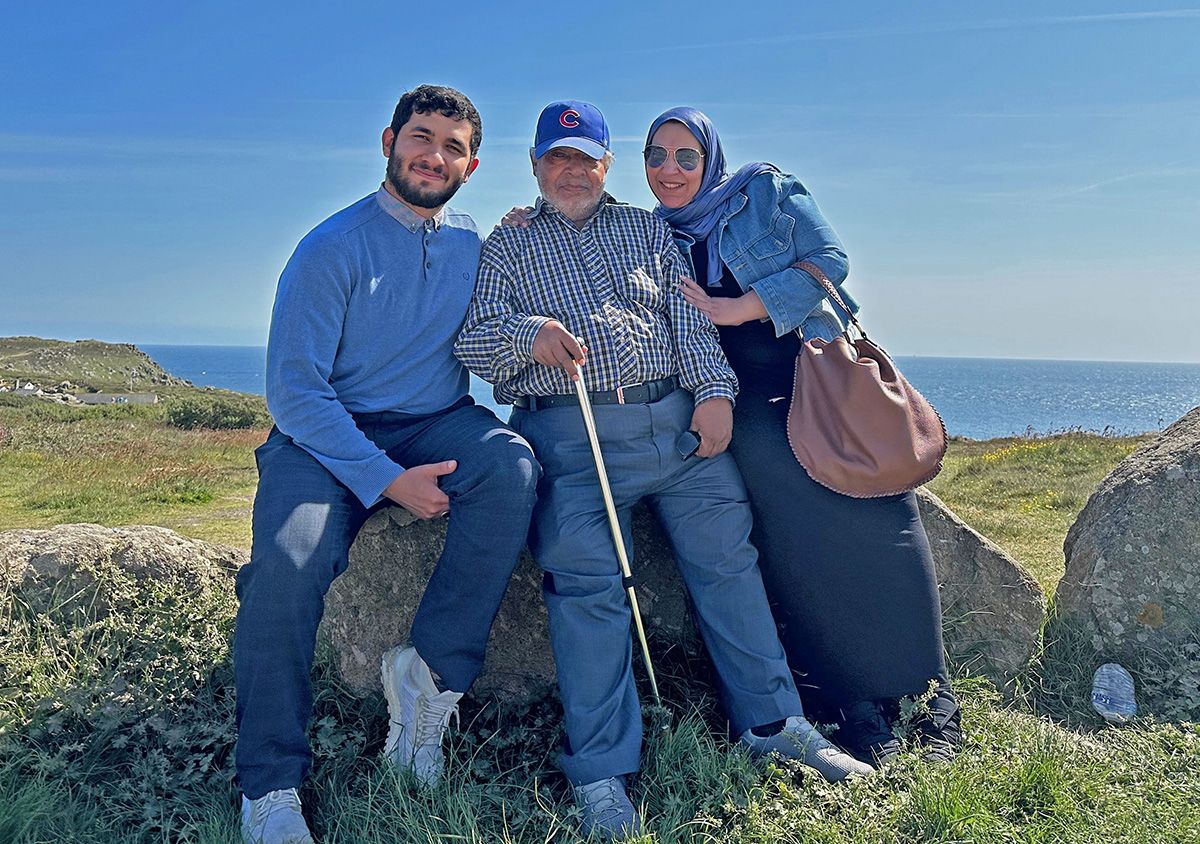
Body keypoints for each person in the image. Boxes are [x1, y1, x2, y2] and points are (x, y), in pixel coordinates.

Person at [456, 100, 871, 842]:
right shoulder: (508, 244)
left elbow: (688, 320)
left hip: (677, 425)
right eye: (558, 158)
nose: (572, 172)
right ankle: (602, 771)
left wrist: (713, 394)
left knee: (728, 561)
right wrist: (531, 335)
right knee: (588, 588)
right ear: (536, 165)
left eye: (586, 159)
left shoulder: (647, 229)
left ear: (606, 166)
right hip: (573, 438)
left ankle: (774, 724)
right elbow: (478, 346)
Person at [233, 85, 541, 844]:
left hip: (436, 421)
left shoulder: (473, 241)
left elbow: (507, 302)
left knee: (512, 468)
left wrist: (529, 235)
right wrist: (384, 479)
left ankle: (428, 682)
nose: (433, 155)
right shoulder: (330, 247)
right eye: (421, 137)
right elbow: (295, 392)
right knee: (285, 564)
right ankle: (269, 786)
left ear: (472, 165)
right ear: (388, 141)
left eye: (452, 146)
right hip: (322, 438)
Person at [642, 106, 963, 765]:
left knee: (885, 534)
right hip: (748, 414)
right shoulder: (652, 235)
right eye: (655, 156)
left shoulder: (762, 189)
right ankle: (855, 709)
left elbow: (830, 259)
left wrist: (739, 306)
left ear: (709, 159)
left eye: (684, 156)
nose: (669, 170)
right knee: (796, 559)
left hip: (816, 382)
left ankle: (933, 711)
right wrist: (529, 216)